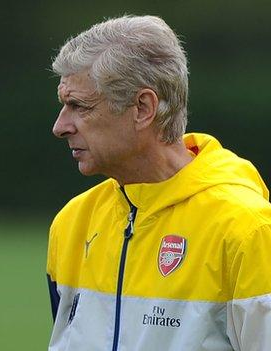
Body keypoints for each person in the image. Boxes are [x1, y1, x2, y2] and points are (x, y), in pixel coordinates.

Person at [46, 15, 271, 350]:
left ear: (143, 107)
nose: (60, 126)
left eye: (78, 106)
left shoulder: (247, 229)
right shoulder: (72, 223)